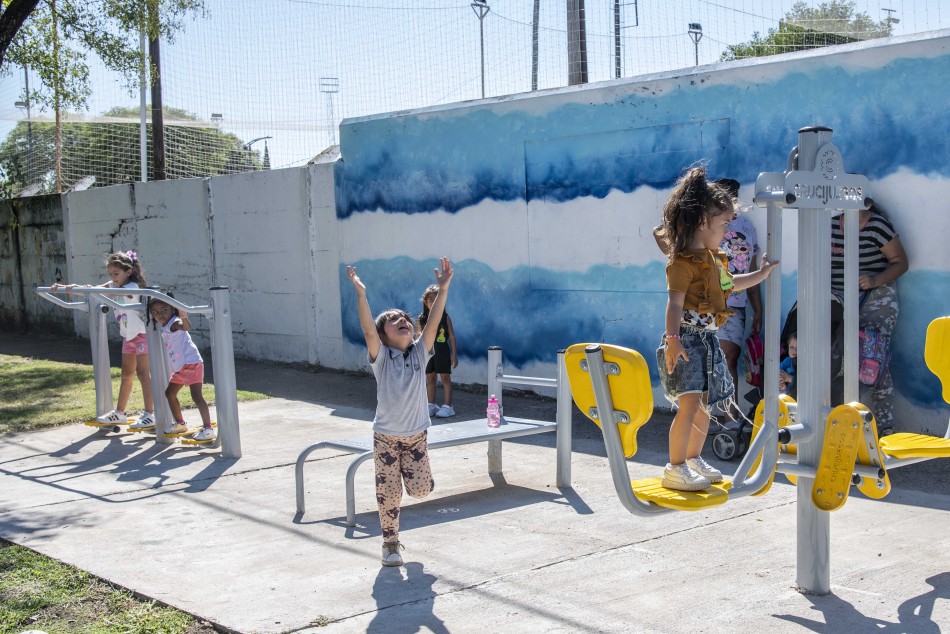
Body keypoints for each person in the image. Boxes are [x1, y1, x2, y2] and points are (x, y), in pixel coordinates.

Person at [655, 167, 778, 491]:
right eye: (723, 224)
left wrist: (762, 275)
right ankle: (675, 466)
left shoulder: (715, 260)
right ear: (701, 222)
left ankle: (693, 459)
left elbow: (731, 284)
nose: (726, 230)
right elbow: (675, 305)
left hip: (708, 340)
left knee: (705, 404)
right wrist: (672, 341)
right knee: (689, 404)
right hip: (687, 341)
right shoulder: (682, 262)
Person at [346, 257, 454, 567]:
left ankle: (417, 481)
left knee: (420, 491)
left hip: (417, 435)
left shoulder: (421, 351)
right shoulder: (381, 356)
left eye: (403, 317)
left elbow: (433, 321)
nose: (401, 319)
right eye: (392, 320)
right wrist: (362, 295)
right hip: (387, 439)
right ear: (384, 336)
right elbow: (368, 329)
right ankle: (390, 544)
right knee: (389, 495)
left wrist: (443, 288)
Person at [51, 251, 155, 429]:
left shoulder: (132, 287)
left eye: (116, 274)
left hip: (140, 335)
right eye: (110, 274)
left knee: (143, 374)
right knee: (126, 374)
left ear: (128, 272)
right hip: (128, 336)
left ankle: (150, 413)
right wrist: (71, 288)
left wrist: (91, 291)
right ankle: (120, 412)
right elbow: (95, 290)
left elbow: (105, 293)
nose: (113, 278)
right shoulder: (115, 285)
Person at [830, 202, 908, 435]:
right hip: (840, 303)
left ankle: (886, 427)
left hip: (876, 301)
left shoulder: (877, 226)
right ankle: (840, 422)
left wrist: (875, 281)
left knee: (873, 362)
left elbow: (901, 262)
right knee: (838, 361)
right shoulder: (831, 225)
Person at [713, 179, 763, 410]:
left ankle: (729, 417)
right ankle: (712, 416)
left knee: (727, 358)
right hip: (705, 303)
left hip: (734, 305)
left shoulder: (747, 228)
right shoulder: (705, 225)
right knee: (711, 361)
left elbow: (751, 269)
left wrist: (758, 308)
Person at [146, 297, 214, 441]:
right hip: (181, 367)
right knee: (170, 393)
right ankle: (180, 423)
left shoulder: (173, 323)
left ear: (172, 310)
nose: (160, 314)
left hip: (192, 363)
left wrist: (184, 316)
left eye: (164, 310)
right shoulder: (164, 326)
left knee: (196, 396)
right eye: (155, 312)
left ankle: (208, 428)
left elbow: (185, 327)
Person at [417, 284, 458, 418]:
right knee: (430, 378)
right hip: (427, 353)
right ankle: (431, 405)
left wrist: (454, 355)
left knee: (445, 377)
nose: (433, 302)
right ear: (425, 302)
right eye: (430, 299)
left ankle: (448, 406)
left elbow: (451, 336)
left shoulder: (445, 318)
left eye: (437, 299)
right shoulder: (421, 319)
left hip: (442, 352)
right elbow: (418, 337)